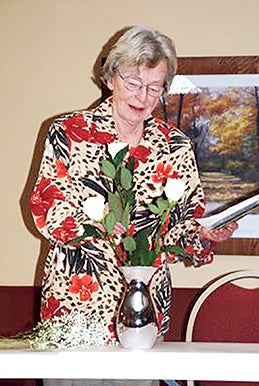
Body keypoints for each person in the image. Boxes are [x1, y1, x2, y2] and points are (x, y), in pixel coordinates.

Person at [29, 26, 237, 385]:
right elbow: (46, 210)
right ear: (110, 78)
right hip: (77, 313)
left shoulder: (175, 146)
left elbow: (183, 223)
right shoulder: (69, 132)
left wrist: (202, 235)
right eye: (134, 83)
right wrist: (101, 225)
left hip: (143, 317)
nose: (143, 96)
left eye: (155, 87)